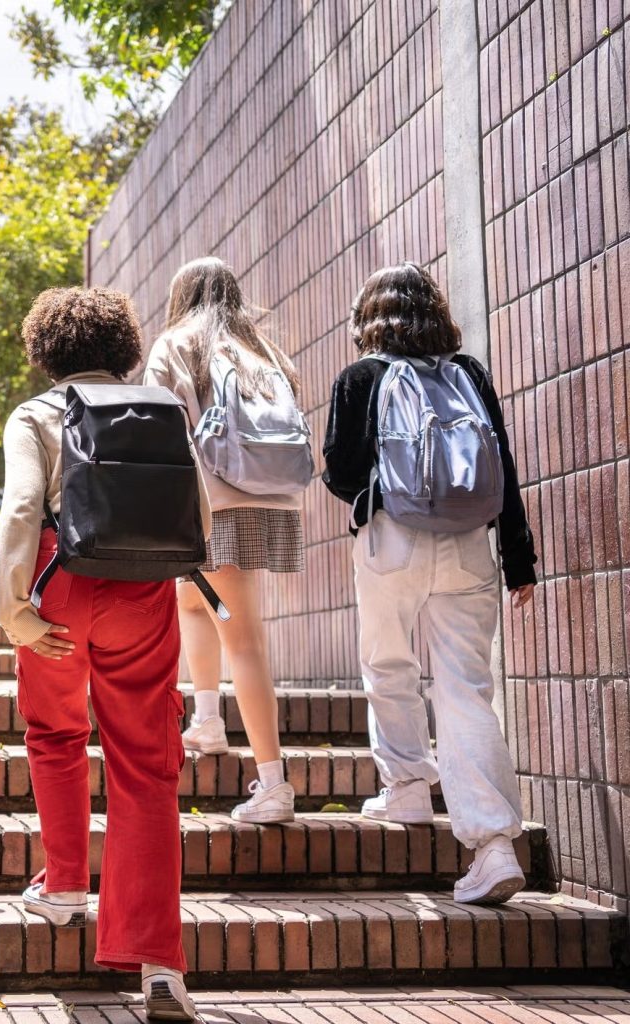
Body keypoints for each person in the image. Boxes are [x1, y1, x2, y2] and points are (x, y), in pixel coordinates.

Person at [0, 286, 207, 1021]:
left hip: (58, 578)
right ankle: (159, 967)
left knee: (56, 732)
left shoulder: (36, 413)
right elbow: (194, 507)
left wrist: (11, 608)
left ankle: (61, 885)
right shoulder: (162, 407)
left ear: (45, 351)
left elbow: (24, 506)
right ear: (126, 348)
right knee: (147, 765)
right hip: (141, 590)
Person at [322, 261, 537, 905]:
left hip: (392, 538)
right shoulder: (469, 374)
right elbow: (502, 464)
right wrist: (519, 559)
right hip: (472, 543)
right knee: (466, 690)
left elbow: (338, 470)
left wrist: (380, 496)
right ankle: (494, 845)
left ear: (370, 316)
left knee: (388, 662)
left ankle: (408, 791)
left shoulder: (362, 375)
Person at [143, 257, 304, 825]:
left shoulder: (175, 343)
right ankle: (208, 716)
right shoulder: (260, 349)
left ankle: (274, 784)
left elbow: (158, 432)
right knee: (195, 599)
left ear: (181, 296)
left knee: (244, 640)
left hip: (211, 503)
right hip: (267, 497)